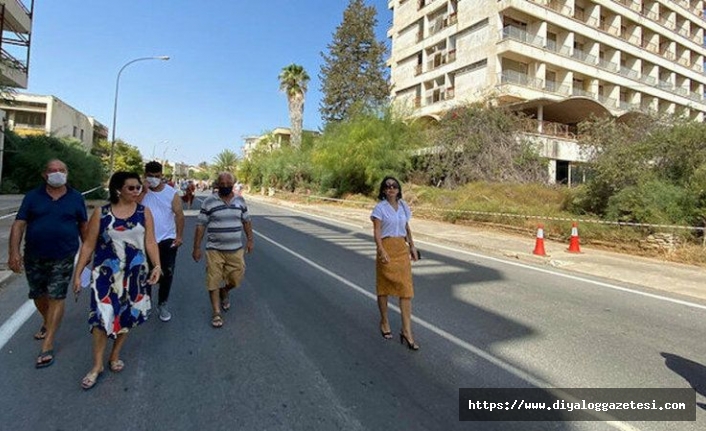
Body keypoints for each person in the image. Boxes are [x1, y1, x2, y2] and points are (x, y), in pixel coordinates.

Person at [72, 171, 161, 390]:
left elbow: (150, 241)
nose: (136, 191)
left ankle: (115, 354)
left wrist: (157, 265)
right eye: (131, 188)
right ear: (118, 189)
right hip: (105, 274)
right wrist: (78, 272)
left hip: (135, 275)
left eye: (138, 188)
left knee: (127, 316)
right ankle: (97, 365)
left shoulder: (144, 212)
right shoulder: (101, 213)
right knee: (101, 318)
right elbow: (89, 245)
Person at [7, 159, 88, 368]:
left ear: (67, 174)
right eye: (53, 170)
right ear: (45, 174)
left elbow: (83, 226)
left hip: (64, 255)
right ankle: (47, 320)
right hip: (34, 255)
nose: (57, 173)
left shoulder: (76, 198)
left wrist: (89, 253)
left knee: (56, 296)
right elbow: (18, 225)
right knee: (38, 295)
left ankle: (48, 343)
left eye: (62, 170)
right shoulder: (33, 197)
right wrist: (13, 252)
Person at [192, 172, 253, 328]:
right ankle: (216, 312)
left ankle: (225, 291)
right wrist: (196, 247)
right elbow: (200, 226)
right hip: (214, 250)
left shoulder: (240, 200)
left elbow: (246, 221)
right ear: (217, 184)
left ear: (233, 184)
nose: (225, 186)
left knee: (236, 279)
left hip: (235, 250)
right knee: (213, 280)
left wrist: (250, 240)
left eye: (228, 183)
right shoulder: (209, 202)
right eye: (222, 183)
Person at [371, 176, 420, 351]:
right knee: (384, 288)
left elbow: (406, 227)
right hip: (386, 248)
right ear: (384, 190)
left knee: (406, 290)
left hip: (401, 249)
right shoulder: (380, 208)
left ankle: (406, 330)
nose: (391, 188)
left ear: (398, 189)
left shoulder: (404, 206)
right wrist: (381, 249)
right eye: (387, 186)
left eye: (394, 186)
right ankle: (384, 321)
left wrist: (412, 246)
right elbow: (377, 231)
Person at [138, 161, 185, 322]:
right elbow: (132, 207)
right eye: (150, 176)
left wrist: (179, 237)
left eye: (156, 176)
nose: (153, 180)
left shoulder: (171, 194)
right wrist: (142, 191)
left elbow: (179, 215)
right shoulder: (140, 192)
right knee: (145, 272)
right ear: (145, 176)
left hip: (166, 239)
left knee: (167, 273)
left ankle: (162, 304)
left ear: (162, 176)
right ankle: (147, 303)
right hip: (144, 240)